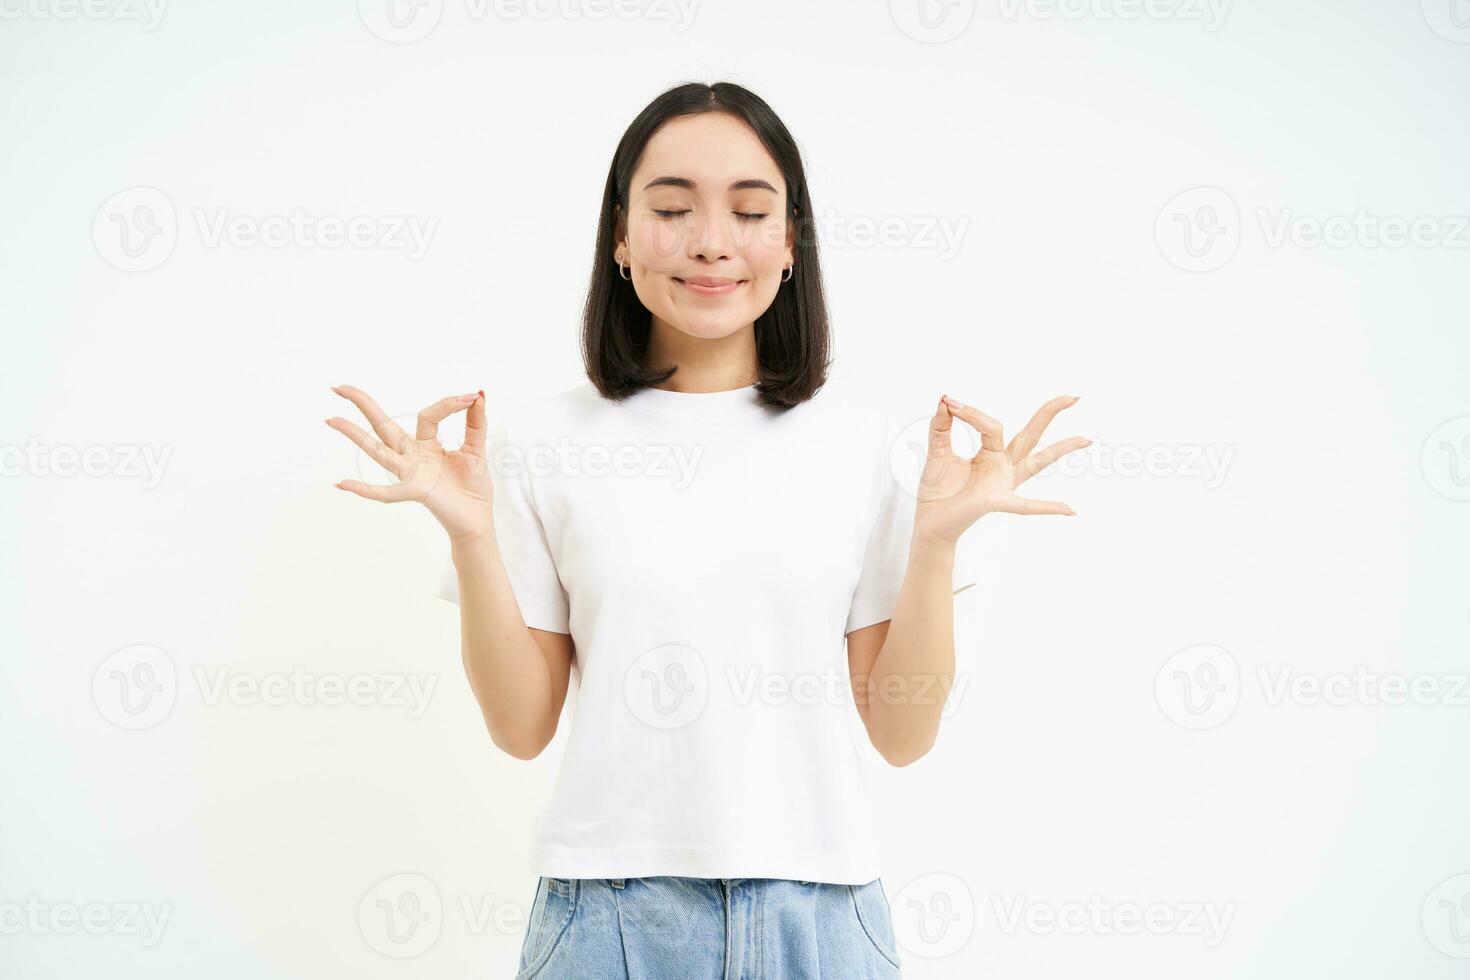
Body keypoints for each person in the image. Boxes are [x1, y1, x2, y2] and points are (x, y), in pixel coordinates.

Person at [327, 80, 1086, 980]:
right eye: (672, 208)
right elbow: (521, 725)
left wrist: (933, 544)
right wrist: (469, 536)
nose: (712, 242)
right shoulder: (540, 442)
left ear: (792, 242)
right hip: (606, 920)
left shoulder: (867, 448)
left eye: (750, 210)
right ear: (618, 234)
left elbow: (903, 733)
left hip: (823, 918)